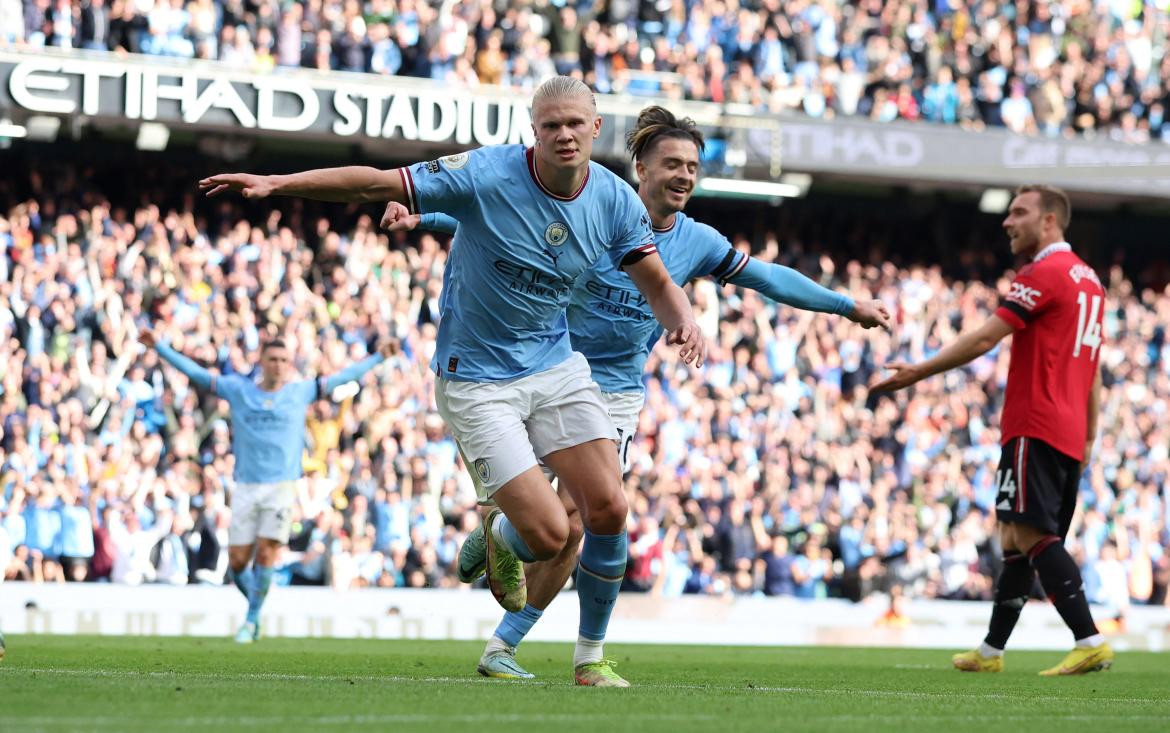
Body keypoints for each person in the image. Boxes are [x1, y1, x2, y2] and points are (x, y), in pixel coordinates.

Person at [198, 77, 708, 687]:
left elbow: (653, 279)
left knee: (608, 508)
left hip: (554, 364)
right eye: (551, 126)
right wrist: (280, 183)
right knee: (547, 535)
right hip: (478, 379)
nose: (564, 135)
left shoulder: (617, 201)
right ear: (534, 131)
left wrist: (683, 321)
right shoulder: (486, 173)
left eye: (575, 123)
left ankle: (543, 601)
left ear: (595, 129)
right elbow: (375, 181)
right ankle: (501, 532)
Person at [383, 105, 891, 679]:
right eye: (672, 163)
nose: (684, 176)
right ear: (640, 169)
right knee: (563, 522)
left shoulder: (696, 241)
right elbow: (495, 227)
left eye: (693, 167)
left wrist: (848, 305)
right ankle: (512, 551)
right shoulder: (598, 206)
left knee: (586, 521)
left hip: (616, 393)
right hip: (546, 372)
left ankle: (528, 643)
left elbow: (766, 277)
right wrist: (420, 216)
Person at [871, 184, 1112, 676]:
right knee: (1012, 535)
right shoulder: (1090, 281)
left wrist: (919, 371)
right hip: (1066, 429)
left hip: (1035, 422)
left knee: (1030, 532)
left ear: (1049, 222)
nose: (1008, 222)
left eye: (1019, 212)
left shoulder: (1043, 272)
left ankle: (1088, 638)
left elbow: (986, 336)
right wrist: (1088, 437)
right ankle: (991, 652)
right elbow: (1094, 369)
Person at [140, 328, 392, 643]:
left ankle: (250, 620)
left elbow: (344, 377)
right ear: (261, 360)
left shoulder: (301, 391)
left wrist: (380, 356)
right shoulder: (238, 390)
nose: (278, 365)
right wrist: (160, 347)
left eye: (284, 360)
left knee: (267, 555)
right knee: (238, 563)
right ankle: (255, 610)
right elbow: (197, 374)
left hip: (282, 488)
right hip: (245, 486)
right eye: (273, 359)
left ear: (290, 363)